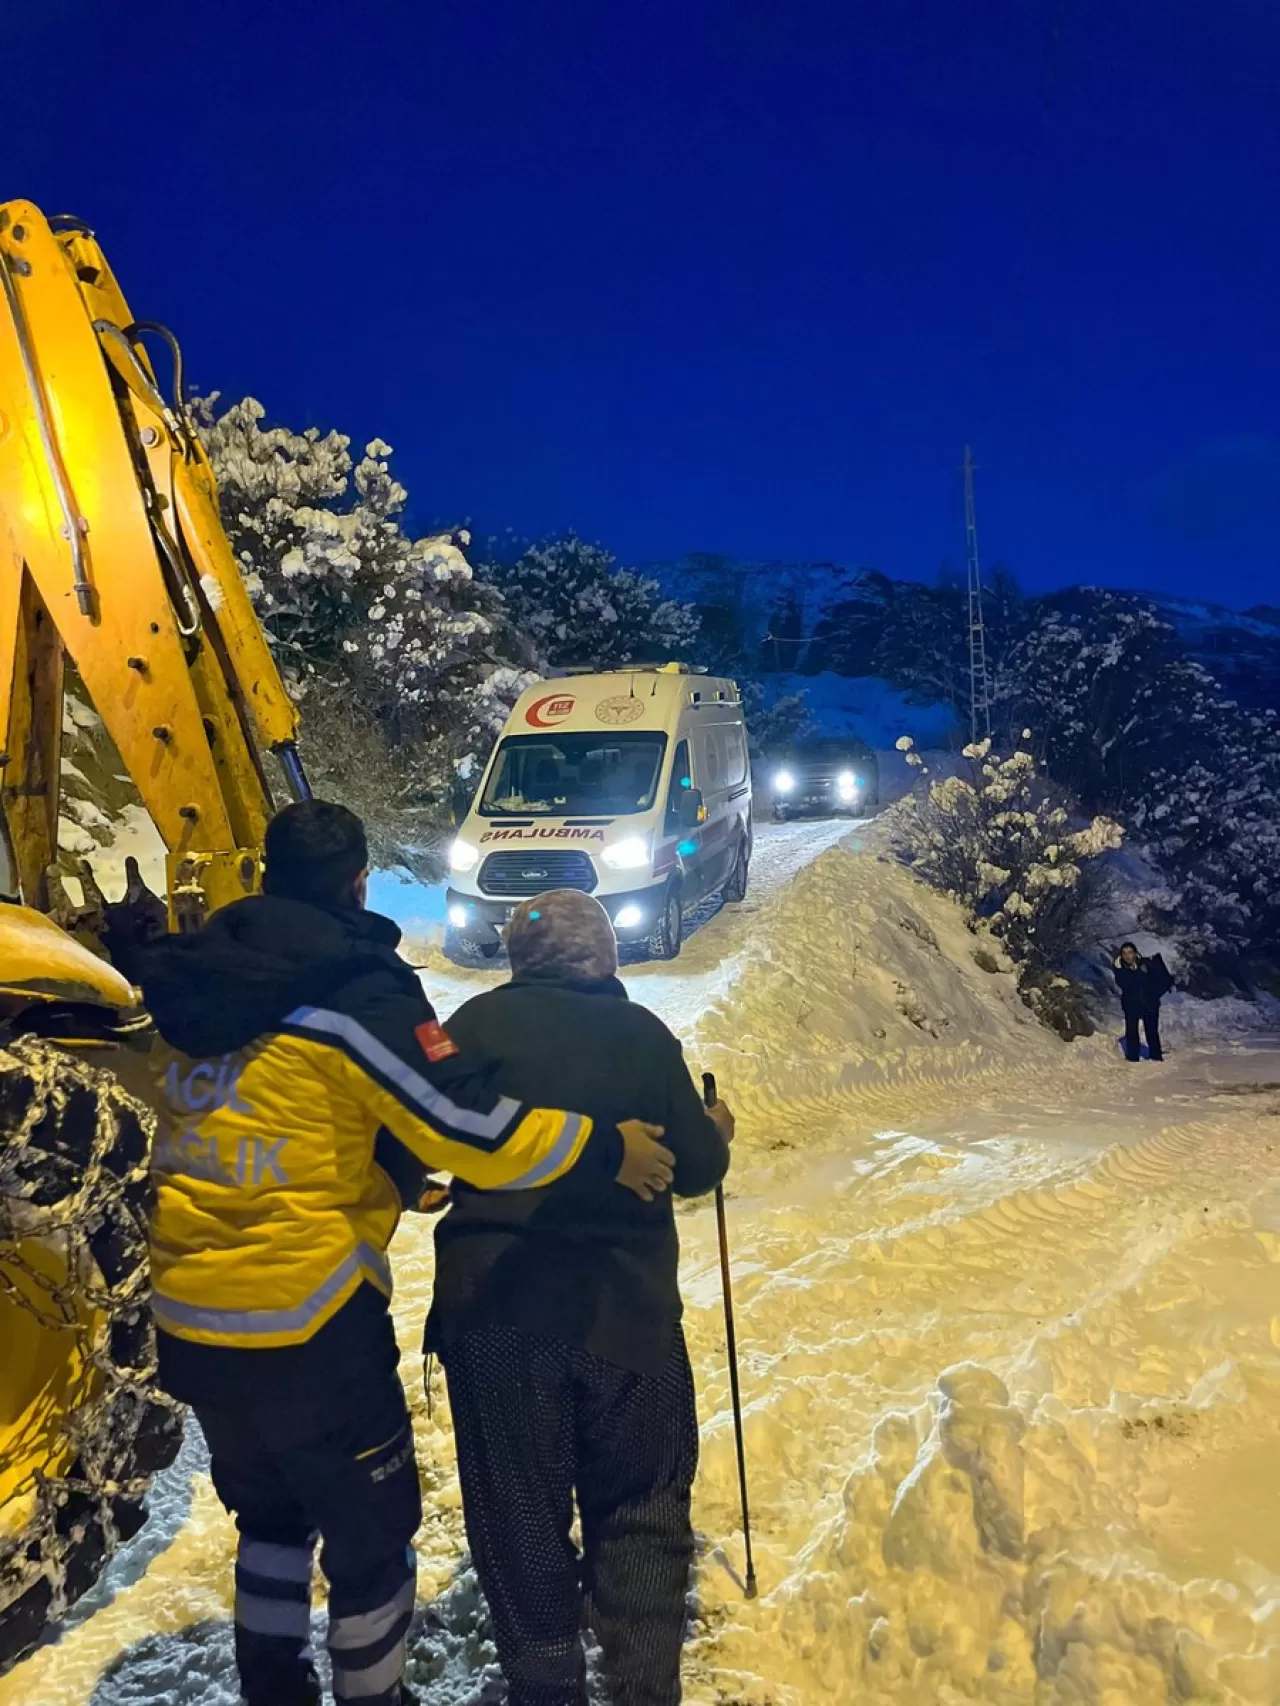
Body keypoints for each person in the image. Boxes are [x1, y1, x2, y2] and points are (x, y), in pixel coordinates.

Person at [134, 802, 674, 1706]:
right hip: (307, 1322)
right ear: (357, 883)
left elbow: (274, 1117)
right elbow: (468, 1130)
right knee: (371, 1535)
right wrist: (603, 1148)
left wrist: (384, 1173)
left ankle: (274, 1689)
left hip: (191, 1315)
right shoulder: (352, 991)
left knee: (269, 1523)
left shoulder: (202, 983)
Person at [424, 887, 734, 1706]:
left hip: (494, 1313)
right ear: (605, 955)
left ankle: (547, 1679)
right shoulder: (641, 1035)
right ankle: (641, 1684)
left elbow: (415, 1129)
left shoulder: (472, 1029)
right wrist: (718, 1130)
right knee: (640, 1498)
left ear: (518, 957)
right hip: (625, 1316)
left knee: (517, 1505)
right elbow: (699, 1169)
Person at [1113, 940, 1172, 1062]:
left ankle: (1156, 1056)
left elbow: (1158, 980)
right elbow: (1126, 983)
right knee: (1131, 1031)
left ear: (1135, 953)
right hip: (1131, 1004)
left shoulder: (1146, 964)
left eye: (1130, 952)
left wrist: (1155, 993)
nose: (1127, 956)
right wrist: (1141, 974)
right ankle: (1132, 1056)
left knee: (1151, 1031)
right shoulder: (1118, 968)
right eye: (1124, 953)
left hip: (1149, 1003)